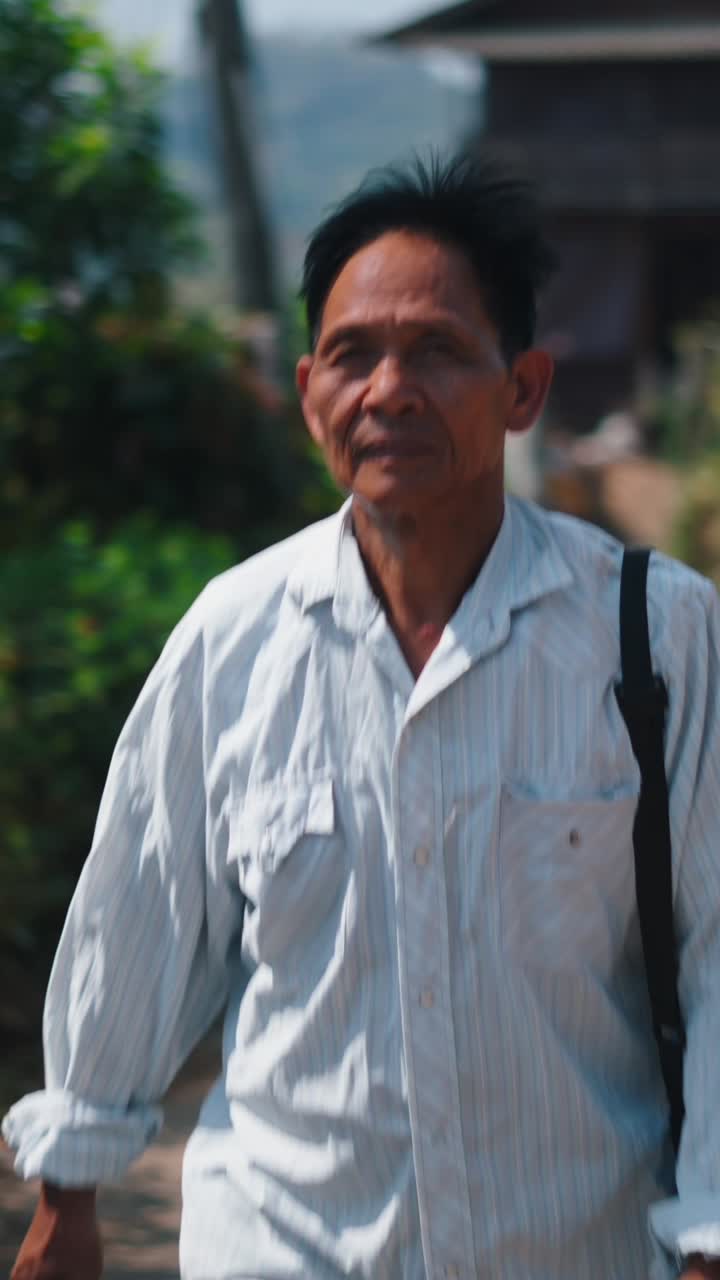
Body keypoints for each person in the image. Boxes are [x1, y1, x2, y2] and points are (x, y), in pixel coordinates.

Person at [4, 154, 720, 1280]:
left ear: (523, 387)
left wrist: (708, 1234)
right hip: (284, 1244)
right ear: (308, 394)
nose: (389, 389)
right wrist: (70, 1189)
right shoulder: (232, 637)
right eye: (352, 355)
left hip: (571, 1246)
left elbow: (719, 947)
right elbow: (139, 915)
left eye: (437, 349)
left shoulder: (658, 636)